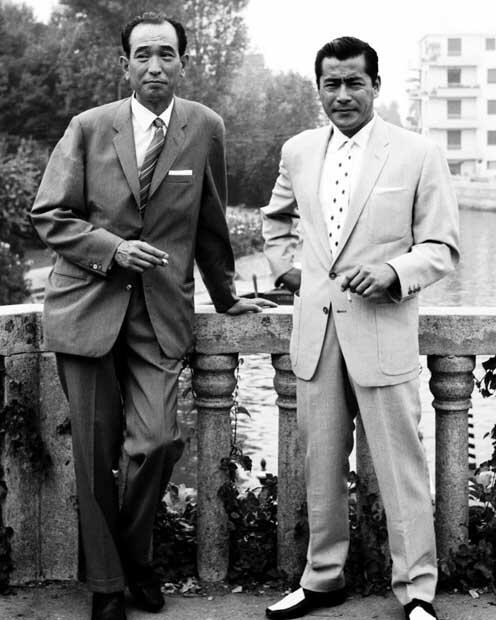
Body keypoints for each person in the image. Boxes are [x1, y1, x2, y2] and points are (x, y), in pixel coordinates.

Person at [31, 12, 274, 620]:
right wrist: (112, 250)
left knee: (158, 441)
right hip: (86, 306)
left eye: (167, 54)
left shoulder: (204, 127)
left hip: (161, 312)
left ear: (183, 63)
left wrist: (226, 296)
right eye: (143, 55)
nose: (155, 66)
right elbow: (50, 214)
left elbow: (212, 221)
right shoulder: (88, 128)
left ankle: (134, 556)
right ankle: (108, 585)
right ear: (125, 65)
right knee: (94, 456)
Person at [262, 36, 459, 620]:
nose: (342, 95)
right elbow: (275, 221)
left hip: (382, 331)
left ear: (376, 85)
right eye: (332, 83)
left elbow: (442, 247)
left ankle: (417, 590)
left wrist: (394, 272)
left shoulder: (418, 153)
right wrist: (290, 273)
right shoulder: (298, 150)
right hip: (316, 334)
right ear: (319, 88)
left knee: (401, 467)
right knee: (320, 465)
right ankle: (323, 579)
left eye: (354, 82)